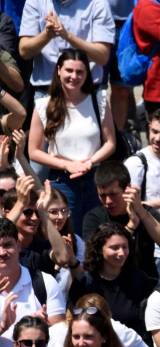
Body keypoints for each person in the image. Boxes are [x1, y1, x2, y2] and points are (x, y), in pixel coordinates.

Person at [27, 49, 115, 233]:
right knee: (67, 236)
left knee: (96, 235)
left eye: (80, 72)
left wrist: (89, 162)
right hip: (62, 181)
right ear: (59, 70)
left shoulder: (98, 100)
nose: (74, 76)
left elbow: (110, 142)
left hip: (95, 180)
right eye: (69, 70)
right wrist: (67, 165)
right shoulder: (44, 105)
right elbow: (34, 151)